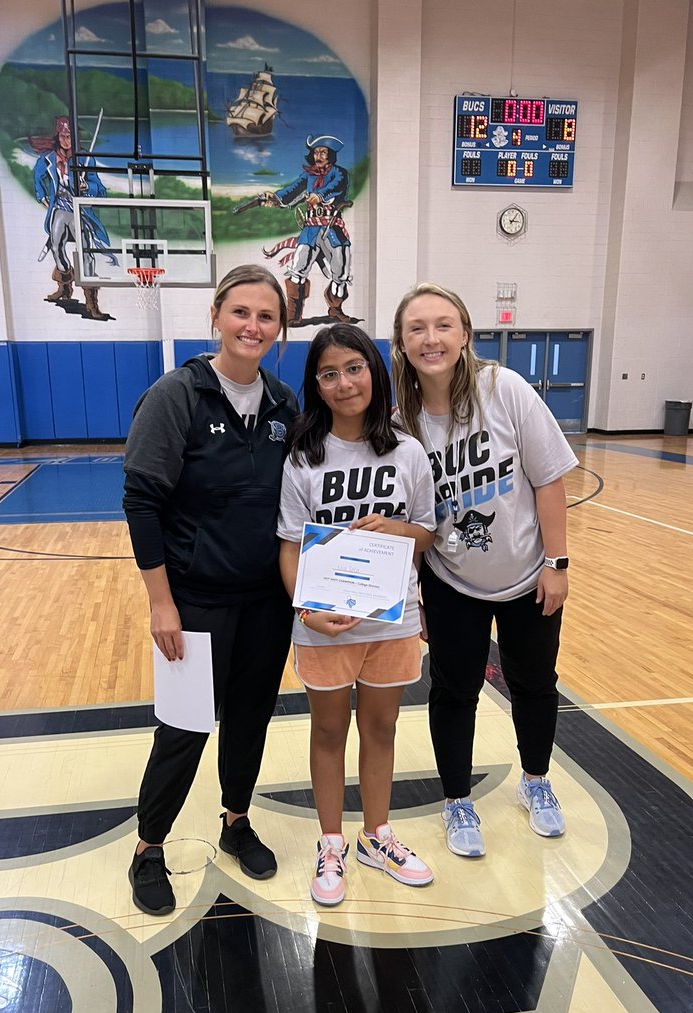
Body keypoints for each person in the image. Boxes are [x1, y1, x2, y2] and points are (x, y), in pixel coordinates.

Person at [122, 264, 298, 916]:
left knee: (250, 718)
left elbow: (299, 505)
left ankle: (235, 820)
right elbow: (141, 502)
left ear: (279, 328)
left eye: (266, 316)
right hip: (194, 599)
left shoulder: (284, 405)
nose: (253, 326)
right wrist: (161, 603)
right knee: (184, 727)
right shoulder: (177, 396)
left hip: (265, 602)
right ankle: (148, 847)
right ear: (217, 318)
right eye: (242, 313)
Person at [392, 283, 580, 857]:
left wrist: (557, 563)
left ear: (465, 334)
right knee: (454, 690)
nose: (432, 338)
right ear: (401, 343)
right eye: (417, 327)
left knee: (534, 683)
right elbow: (408, 515)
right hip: (453, 581)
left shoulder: (507, 390)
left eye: (444, 325)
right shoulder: (401, 420)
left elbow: (548, 478)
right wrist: (415, 591)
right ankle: (456, 799)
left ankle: (536, 781)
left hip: (528, 575)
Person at [278, 325, 437, 907]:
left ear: (375, 370)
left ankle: (377, 834)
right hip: (324, 626)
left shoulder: (408, 450)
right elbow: (290, 547)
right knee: (327, 731)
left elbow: (426, 531)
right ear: (316, 386)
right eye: (328, 374)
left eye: (354, 368)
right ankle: (330, 842)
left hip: (391, 622)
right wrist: (307, 609)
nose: (344, 383)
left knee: (381, 728)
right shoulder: (303, 458)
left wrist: (399, 529)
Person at [261, 134, 353, 326]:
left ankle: (335, 309)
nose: (319, 156)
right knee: (297, 269)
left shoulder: (340, 173)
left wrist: (319, 195)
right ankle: (293, 314)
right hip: (310, 230)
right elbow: (292, 190)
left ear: (330, 156)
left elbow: (336, 187)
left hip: (332, 228)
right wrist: (275, 197)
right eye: (316, 152)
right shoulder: (308, 176)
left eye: (323, 152)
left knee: (341, 272)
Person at [31, 116, 113, 321]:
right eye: (64, 136)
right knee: (57, 247)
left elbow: (100, 189)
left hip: (79, 211)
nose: (67, 140)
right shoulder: (49, 158)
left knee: (86, 251)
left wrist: (88, 188)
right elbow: (37, 177)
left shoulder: (84, 159)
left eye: (70, 136)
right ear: (58, 136)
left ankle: (91, 300)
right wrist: (42, 198)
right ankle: (65, 285)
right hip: (60, 208)